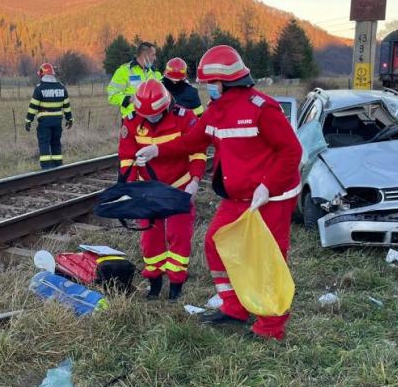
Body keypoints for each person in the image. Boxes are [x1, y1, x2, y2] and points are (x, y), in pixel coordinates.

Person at [134, 45, 302, 339]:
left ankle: (270, 326)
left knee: (267, 257)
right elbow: (191, 142)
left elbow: (291, 151)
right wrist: (156, 149)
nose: (207, 89)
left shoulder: (262, 108)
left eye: (209, 84)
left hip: (272, 197)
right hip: (237, 197)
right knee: (215, 244)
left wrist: (268, 185)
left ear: (223, 82)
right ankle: (234, 308)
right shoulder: (216, 111)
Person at [118, 80, 207, 301]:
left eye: (155, 114)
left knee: (179, 236)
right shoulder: (131, 122)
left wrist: (195, 181)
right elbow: (126, 159)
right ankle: (154, 282)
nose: (151, 118)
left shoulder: (184, 118)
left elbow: (197, 151)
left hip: (179, 187)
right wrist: (130, 188)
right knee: (150, 239)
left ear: (167, 105)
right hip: (147, 191)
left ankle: (176, 284)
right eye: (146, 115)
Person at [25, 63, 73, 169]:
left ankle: (47, 167)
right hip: (57, 122)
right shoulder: (61, 87)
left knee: (44, 143)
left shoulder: (39, 88)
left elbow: (33, 106)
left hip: (44, 122)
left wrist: (28, 120)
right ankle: (58, 165)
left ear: (42, 74)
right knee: (56, 142)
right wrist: (69, 119)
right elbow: (67, 106)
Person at [106, 41, 162, 117]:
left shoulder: (156, 73)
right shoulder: (124, 71)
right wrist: (129, 99)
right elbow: (112, 95)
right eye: (153, 55)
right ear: (145, 56)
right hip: (132, 120)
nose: (155, 58)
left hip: (153, 120)